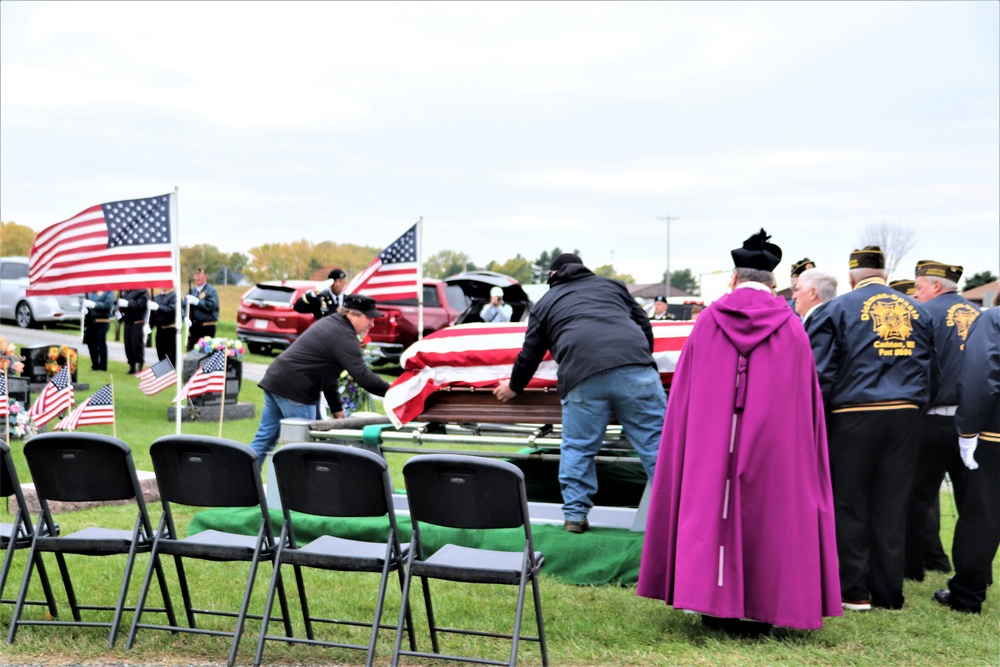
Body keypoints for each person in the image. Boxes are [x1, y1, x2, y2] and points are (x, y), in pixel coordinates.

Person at [637, 229, 841, 633]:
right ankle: (762, 608)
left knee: (711, 505)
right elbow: (804, 400)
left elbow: (687, 392)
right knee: (772, 509)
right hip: (774, 443)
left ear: (734, 277)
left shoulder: (709, 319)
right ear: (773, 282)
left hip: (711, 440)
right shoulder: (792, 326)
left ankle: (708, 603)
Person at [493, 253, 665, 533]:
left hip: (582, 373)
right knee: (656, 445)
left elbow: (531, 351)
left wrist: (514, 386)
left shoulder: (547, 301)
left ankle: (575, 516)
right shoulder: (613, 286)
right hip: (635, 369)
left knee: (579, 446)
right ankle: (673, 512)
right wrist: (637, 357)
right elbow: (643, 325)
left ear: (553, 275)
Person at [805, 245, 931, 611]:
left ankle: (855, 590)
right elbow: (930, 366)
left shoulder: (835, 308)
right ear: (886, 275)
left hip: (853, 412)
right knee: (893, 503)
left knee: (850, 501)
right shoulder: (917, 310)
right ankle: (889, 592)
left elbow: (820, 371)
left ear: (851, 277)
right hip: (906, 412)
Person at [904, 260, 980, 581]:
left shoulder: (924, 314)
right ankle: (975, 573)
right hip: (974, 423)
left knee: (916, 496)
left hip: (933, 419)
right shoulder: (982, 315)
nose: (916, 295)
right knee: (973, 502)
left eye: (919, 288)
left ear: (935, 287)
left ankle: (912, 568)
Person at [249, 294, 391, 465]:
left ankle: (241, 483)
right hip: (296, 390)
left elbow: (328, 373)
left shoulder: (333, 323)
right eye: (369, 318)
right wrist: (395, 392)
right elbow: (363, 376)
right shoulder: (344, 336)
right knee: (306, 448)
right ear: (352, 314)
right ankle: (299, 490)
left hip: (277, 381)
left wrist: (336, 408)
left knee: (265, 439)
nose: (372, 324)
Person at [933, 304, 999, 613]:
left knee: (981, 515)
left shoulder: (992, 318)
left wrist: (968, 429)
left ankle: (967, 595)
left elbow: (979, 375)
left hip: (995, 434)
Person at [185, 267, 220, 350]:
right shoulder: (192, 291)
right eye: (196, 276)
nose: (198, 278)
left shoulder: (211, 290)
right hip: (194, 327)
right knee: (193, 352)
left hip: (206, 327)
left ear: (206, 277)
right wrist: (185, 317)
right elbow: (185, 307)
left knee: (205, 353)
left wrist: (198, 302)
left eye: (200, 276)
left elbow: (212, 305)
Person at [82, 291, 115, 371]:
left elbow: (107, 306)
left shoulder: (108, 293)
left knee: (101, 344)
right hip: (91, 322)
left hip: (102, 321)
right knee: (91, 344)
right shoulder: (91, 293)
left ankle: (103, 365)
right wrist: (84, 307)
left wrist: (95, 305)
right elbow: (85, 303)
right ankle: (95, 364)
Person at [118, 289, 149, 375]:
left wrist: (128, 303)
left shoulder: (142, 292)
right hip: (127, 322)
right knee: (128, 345)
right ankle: (131, 366)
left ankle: (139, 365)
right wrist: (118, 313)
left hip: (137, 322)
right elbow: (120, 309)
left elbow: (141, 304)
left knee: (136, 344)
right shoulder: (126, 292)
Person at [148, 287, 178, 368]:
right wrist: (149, 325)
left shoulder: (175, 296)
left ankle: (171, 373)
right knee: (161, 353)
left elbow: (172, 309)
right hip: (160, 329)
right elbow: (153, 315)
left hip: (170, 329)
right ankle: (164, 374)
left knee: (171, 354)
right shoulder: (157, 297)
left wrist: (159, 307)